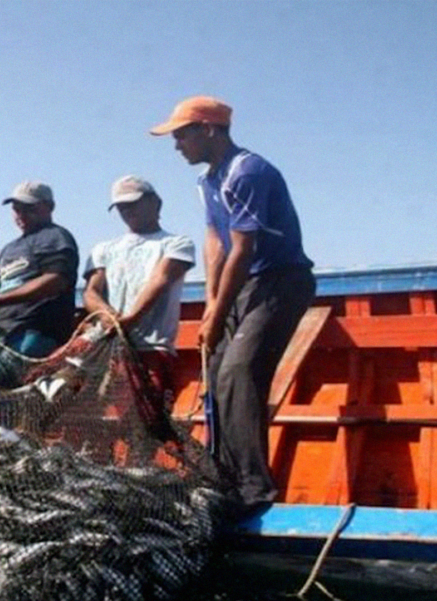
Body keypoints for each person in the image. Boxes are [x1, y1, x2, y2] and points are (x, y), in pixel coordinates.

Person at [151, 96, 315, 516]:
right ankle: (221, 477)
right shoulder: (207, 182)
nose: (176, 145)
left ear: (209, 129)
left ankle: (253, 490)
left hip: (280, 281)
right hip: (241, 286)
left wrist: (220, 312)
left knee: (241, 371)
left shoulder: (248, 172)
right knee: (220, 372)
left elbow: (243, 249)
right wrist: (210, 304)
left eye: (181, 134)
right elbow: (214, 242)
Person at [0, 180, 79, 426]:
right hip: (2, 335)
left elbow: (56, 280)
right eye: (16, 209)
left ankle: (4, 444)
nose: (21, 215)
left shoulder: (56, 237)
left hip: (36, 332)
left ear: (49, 207)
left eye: (29, 208)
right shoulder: (9, 248)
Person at [82, 175, 195, 429]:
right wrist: (107, 316)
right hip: (105, 348)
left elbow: (161, 279)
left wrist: (130, 319)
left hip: (150, 348)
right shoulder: (103, 249)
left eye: (133, 203)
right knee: (96, 421)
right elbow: (91, 292)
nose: (127, 211)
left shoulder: (177, 244)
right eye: (121, 207)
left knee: (147, 425)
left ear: (156, 203)